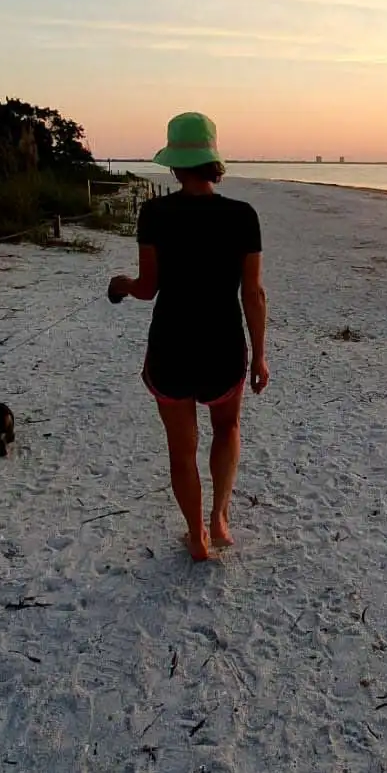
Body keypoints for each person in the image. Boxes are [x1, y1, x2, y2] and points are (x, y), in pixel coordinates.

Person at [108, 112, 268, 561]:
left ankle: (196, 535)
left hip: (171, 346)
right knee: (227, 426)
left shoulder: (156, 212)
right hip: (223, 345)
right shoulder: (242, 216)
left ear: (175, 164)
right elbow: (252, 294)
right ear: (213, 160)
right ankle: (219, 518)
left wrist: (120, 285)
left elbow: (147, 288)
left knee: (182, 449)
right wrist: (259, 357)